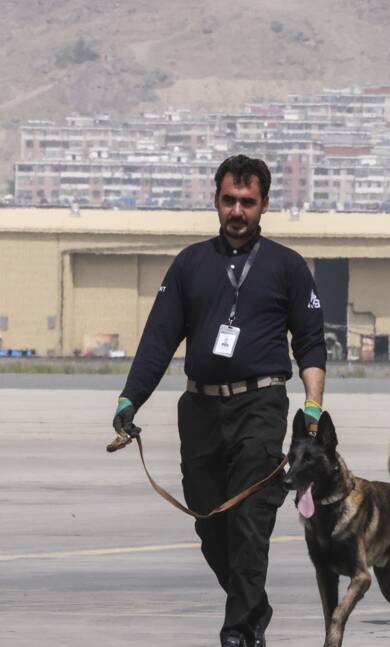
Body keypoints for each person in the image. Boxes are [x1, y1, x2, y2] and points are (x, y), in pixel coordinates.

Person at [111, 155, 327, 647]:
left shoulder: (287, 267)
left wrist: (312, 406)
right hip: (201, 411)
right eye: (229, 200)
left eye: (248, 202)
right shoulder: (190, 263)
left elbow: (312, 345)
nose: (237, 211)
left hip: (262, 405)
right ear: (216, 199)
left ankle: (236, 632)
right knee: (211, 524)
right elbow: (157, 340)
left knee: (251, 521)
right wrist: (129, 401)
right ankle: (254, 607)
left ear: (264, 204)